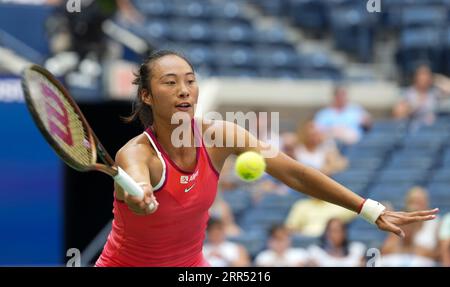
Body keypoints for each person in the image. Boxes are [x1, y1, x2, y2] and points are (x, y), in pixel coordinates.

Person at [95, 50, 438, 266]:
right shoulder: (137, 154)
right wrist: (140, 195)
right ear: (146, 95)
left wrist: (369, 209)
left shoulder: (219, 136)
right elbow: (136, 183)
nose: (184, 90)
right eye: (170, 83)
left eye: (190, 81)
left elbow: (296, 174)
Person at [381, 187, 439, 260]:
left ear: (426, 203)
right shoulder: (399, 224)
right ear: (406, 203)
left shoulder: (435, 224)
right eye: (413, 202)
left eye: (420, 202)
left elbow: (439, 254)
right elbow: (386, 251)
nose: (416, 206)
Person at [393, 64, 448, 131]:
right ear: (416, 77)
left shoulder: (434, 92)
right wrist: (412, 109)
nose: (424, 78)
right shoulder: (408, 93)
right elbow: (398, 113)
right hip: (413, 131)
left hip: (432, 130)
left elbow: (448, 88)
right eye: (421, 75)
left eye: (427, 75)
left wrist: (435, 79)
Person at [285, 196, 357, 237]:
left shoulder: (336, 204)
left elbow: (356, 211)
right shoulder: (301, 205)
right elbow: (290, 228)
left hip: (330, 243)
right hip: (307, 241)